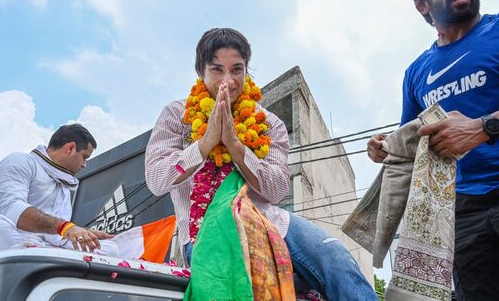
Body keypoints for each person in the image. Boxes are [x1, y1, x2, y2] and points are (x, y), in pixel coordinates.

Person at [146, 28, 376, 300]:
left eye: (237, 70)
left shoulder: (267, 123)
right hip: (204, 232)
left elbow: (277, 189)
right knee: (238, 284)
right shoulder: (178, 114)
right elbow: (157, 179)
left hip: (271, 222)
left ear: (247, 70)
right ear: (201, 71)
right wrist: (206, 143)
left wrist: (235, 146)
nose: (228, 81)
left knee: (336, 258)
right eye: (217, 69)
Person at [367, 0, 499, 299]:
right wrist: (385, 146)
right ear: (423, 5)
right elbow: (413, 139)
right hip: (462, 214)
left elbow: (478, 129)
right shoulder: (417, 72)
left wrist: (483, 127)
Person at [0, 124, 117, 258]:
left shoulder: (63, 185)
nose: (84, 165)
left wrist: (84, 235)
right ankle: (37, 256)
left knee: (111, 248)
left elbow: (57, 235)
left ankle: (45, 258)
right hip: (1, 243)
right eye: (85, 157)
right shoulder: (20, 162)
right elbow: (13, 210)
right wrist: (66, 228)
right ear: (70, 148)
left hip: (44, 248)